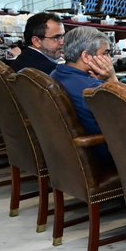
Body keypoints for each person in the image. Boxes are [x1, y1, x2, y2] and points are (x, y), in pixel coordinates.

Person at [51, 27, 117, 162]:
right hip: (103, 154)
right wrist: (112, 79)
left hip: (66, 153)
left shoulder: (55, 74)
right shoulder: (93, 90)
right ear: (86, 56)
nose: (110, 59)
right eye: (106, 53)